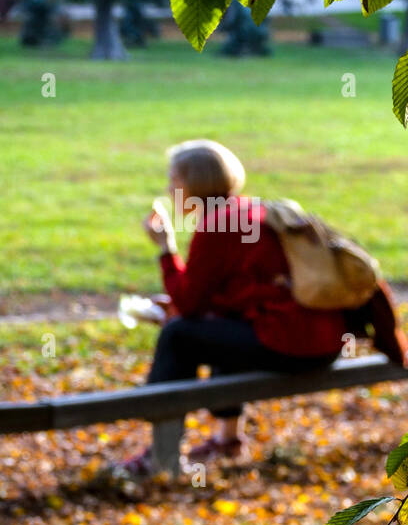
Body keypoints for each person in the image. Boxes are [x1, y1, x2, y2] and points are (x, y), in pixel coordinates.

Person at [118, 140, 347, 475]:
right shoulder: (249, 211)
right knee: (213, 329)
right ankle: (228, 440)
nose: (168, 189)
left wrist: (166, 248)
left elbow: (189, 303)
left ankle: (161, 456)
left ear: (194, 185)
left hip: (294, 345)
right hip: (324, 343)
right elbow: (231, 295)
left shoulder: (216, 225)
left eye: (174, 181)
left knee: (178, 336)